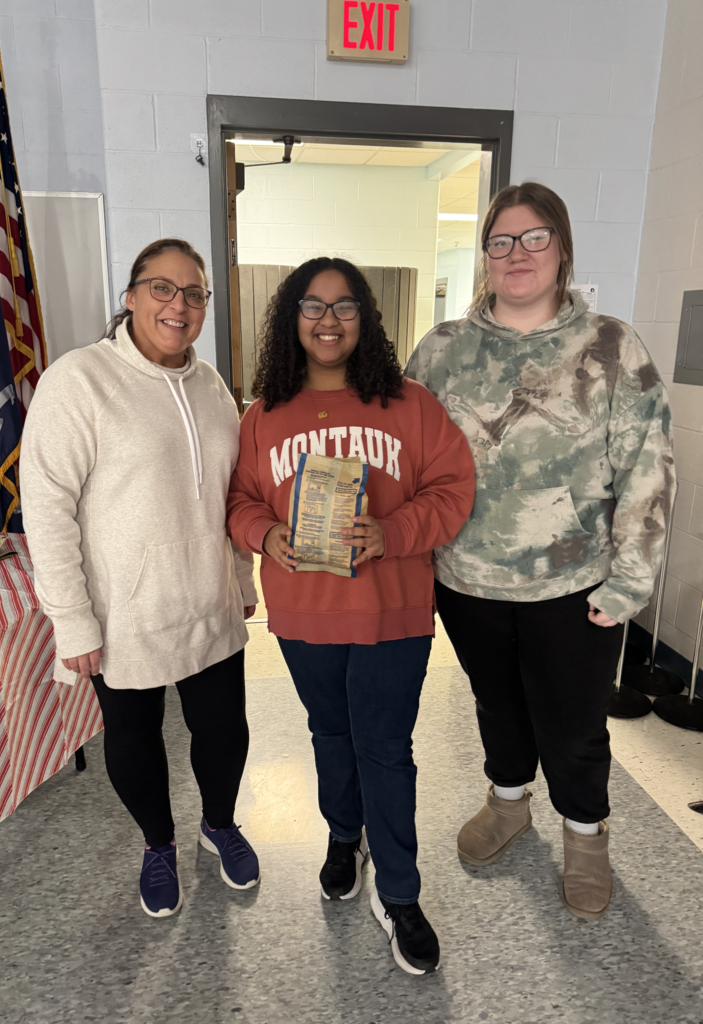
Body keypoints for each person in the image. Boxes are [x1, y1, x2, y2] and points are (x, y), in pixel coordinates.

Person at [405, 183, 675, 921]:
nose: (517, 254)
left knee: (576, 724)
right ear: (485, 257)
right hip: (466, 580)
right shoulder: (442, 351)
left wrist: (628, 585)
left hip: (574, 584)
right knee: (497, 705)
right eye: (501, 241)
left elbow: (649, 471)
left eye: (534, 238)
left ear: (561, 250)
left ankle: (586, 838)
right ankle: (509, 801)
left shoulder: (612, 348)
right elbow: (402, 457)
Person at [227, 257, 475, 975]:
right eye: (312, 305)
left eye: (344, 306)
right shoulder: (263, 417)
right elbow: (240, 500)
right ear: (290, 320)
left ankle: (399, 893)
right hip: (305, 614)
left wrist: (392, 532)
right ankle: (344, 836)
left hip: (392, 614)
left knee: (386, 749)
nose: (328, 320)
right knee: (328, 731)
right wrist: (264, 534)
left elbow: (454, 489)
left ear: (366, 319)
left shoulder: (411, 405)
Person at [21, 238, 261, 919]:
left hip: (208, 601)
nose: (178, 305)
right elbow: (46, 507)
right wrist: (71, 619)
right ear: (130, 297)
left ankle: (219, 825)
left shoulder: (213, 385)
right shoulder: (80, 380)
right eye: (162, 288)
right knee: (134, 739)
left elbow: (228, 492)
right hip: (125, 613)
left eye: (193, 293)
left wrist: (241, 580)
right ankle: (159, 845)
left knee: (226, 732)